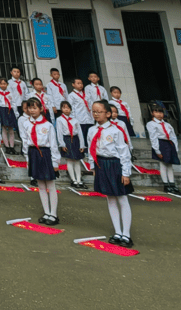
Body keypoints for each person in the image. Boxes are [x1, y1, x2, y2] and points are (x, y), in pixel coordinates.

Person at [88, 100, 134, 246]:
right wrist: (93, 167)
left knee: (122, 198)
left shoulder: (116, 131)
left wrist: (126, 173)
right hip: (101, 165)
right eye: (94, 111)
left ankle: (126, 234)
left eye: (99, 111)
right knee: (110, 199)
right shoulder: (91, 130)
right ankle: (117, 231)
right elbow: (91, 149)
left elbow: (124, 152)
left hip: (115, 165)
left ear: (108, 114)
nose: (96, 114)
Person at [19, 98, 60, 225]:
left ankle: (53, 214)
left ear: (41, 109)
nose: (32, 110)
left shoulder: (47, 125)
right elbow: (25, 140)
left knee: (50, 185)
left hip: (46, 154)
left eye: (35, 108)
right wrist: (28, 157)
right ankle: (46, 212)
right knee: (41, 185)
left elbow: (53, 144)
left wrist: (55, 162)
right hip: (33, 154)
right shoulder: (26, 123)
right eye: (30, 108)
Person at [146, 103, 179, 193]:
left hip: (169, 144)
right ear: (152, 113)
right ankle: (166, 185)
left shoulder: (167, 124)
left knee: (170, 165)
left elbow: (173, 137)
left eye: (161, 112)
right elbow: (153, 137)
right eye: (156, 112)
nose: (159, 114)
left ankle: (172, 184)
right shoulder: (151, 124)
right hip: (161, 144)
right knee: (163, 164)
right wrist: (157, 150)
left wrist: (175, 148)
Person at [56, 100, 87, 189]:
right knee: (69, 160)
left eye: (68, 108)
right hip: (67, 139)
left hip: (75, 139)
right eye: (64, 108)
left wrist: (82, 145)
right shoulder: (59, 119)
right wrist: (62, 144)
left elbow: (80, 133)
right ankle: (73, 180)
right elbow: (59, 132)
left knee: (77, 160)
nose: (66, 109)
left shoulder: (75, 120)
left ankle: (79, 180)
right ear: (61, 109)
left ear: (70, 109)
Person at [69, 78, 94, 146]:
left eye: (81, 83)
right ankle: (84, 150)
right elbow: (71, 109)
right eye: (78, 83)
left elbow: (90, 105)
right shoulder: (71, 95)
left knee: (90, 135)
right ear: (73, 85)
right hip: (80, 119)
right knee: (82, 136)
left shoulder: (86, 94)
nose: (80, 85)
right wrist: (74, 119)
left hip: (89, 119)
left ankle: (90, 150)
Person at [0, 78, 18, 153]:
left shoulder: (10, 93)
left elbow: (13, 103)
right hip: (2, 111)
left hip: (9, 110)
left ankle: (12, 146)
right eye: (1, 84)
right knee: (4, 129)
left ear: (7, 84)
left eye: (4, 83)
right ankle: (7, 146)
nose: (3, 85)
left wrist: (15, 112)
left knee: (11, 129)